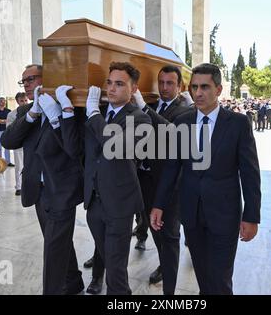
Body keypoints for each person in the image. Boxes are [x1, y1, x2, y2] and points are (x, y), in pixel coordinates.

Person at [151, 63, 261, 295]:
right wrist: (159, 204)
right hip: (191, 214)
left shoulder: (238, 124)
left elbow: (250, 173)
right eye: (194, 87)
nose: (198, 93)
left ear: (219, 89)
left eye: (204, 87)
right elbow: (172, 167)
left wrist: (251, 215)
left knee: (219, 281)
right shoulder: (182, 122)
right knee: (203, 278)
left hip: (225, 215)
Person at [1, 64, 85, 295]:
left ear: (46, 79)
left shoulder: (70, 109)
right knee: (56, 241)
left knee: (53, 248)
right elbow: (8, 142)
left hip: (61, 189)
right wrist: (32, 113)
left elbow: (73, 150)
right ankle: (74, 280)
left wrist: (56, 115)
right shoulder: (25, 112)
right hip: (37, 188)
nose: (26, 85)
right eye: (23, 81)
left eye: (31, 79)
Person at [83, 62, 151, 295]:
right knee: (107, 258)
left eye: (119, 84)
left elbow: (115, 146)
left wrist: (92, 113)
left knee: (116, 270)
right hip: (94, 202)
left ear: (133, 89)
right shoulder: (100, 113)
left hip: (119, 204)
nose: (111, 89)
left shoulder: (140, 119)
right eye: (109, 82)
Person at [133, 65, 192, 294]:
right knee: (156, 232)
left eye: (170, 83)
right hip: (146, 181)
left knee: (169, 236)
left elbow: (171, 132)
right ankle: (164, 264)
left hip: (170, 187)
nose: (165, 88)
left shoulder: (185, 110)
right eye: (162, 83)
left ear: (179, 86)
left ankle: (169, 291)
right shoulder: (153, 105)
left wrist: (144, 109)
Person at [7, 92, 29, 196]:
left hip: (30, 143)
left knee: (30, 165)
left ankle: (30, 185)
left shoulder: (33, 111)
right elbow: (9, 130)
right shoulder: (12, 114)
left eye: (25, 100)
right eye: (22, 101)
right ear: (17, 102)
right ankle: (19, 187)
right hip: (19, 144)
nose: (24, 103)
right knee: (19, 166)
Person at [0, 97, 13, 166]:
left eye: (4, 101)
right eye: (2, 101)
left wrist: (1, 121)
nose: (4, 102)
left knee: (7, 147)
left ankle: (8, 162)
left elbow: (10, 120)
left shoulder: (8, 111)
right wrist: (4, 121)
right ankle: (0, 162)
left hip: (6, 131)